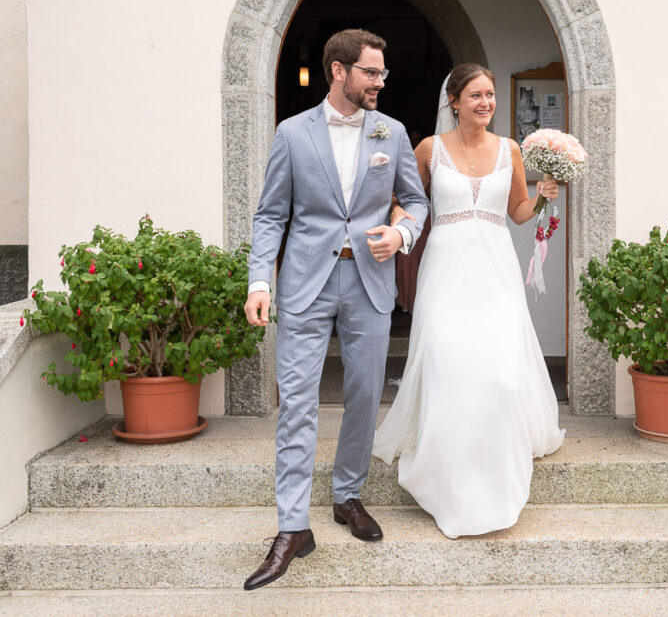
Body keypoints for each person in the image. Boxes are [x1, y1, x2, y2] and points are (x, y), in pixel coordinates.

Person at [242, 29, 429, 590]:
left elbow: (416, 201)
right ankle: (292, 527)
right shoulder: (292, 133)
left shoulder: (390, 132)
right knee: (297, 401)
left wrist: (401, 234)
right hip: (305, 282)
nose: (380, 81)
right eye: (371, 72)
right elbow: (270, 215)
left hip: (368, 283)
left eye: (382, 73)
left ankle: (347, 495)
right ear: (339, 72)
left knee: (364, 394)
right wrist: (259, 282)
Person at [373, 63, 565, 539]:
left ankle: (493, 470)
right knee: (445, 364)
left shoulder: (511, 150)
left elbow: (519, 213)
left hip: (495, 270)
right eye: (476, 95)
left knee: (500, 376)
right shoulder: (428, 149)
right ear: (454, 101)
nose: (486, 103)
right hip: (445, 269)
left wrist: (543, 197)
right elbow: (409, 201)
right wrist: (397, 224)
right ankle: (446, 475)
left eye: (491, 95)